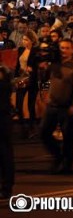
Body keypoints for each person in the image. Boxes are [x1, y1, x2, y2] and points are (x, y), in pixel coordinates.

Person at [40, 39, 73, 174]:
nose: (63, 51)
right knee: (44, 132)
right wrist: (45, 92)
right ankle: (58, 156)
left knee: (68, 138)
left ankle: (67, 165)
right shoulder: (54, 64)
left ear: (72, 50)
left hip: (67, 107)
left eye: (66, 48)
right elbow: (45, 79)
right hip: (52, 105)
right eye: (61, 48)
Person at [0, 64, 14, 199]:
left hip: (2, 119)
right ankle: (6, 186)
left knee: (4, 153)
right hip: (4, 118)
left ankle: (6, 186)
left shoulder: (3, 84)